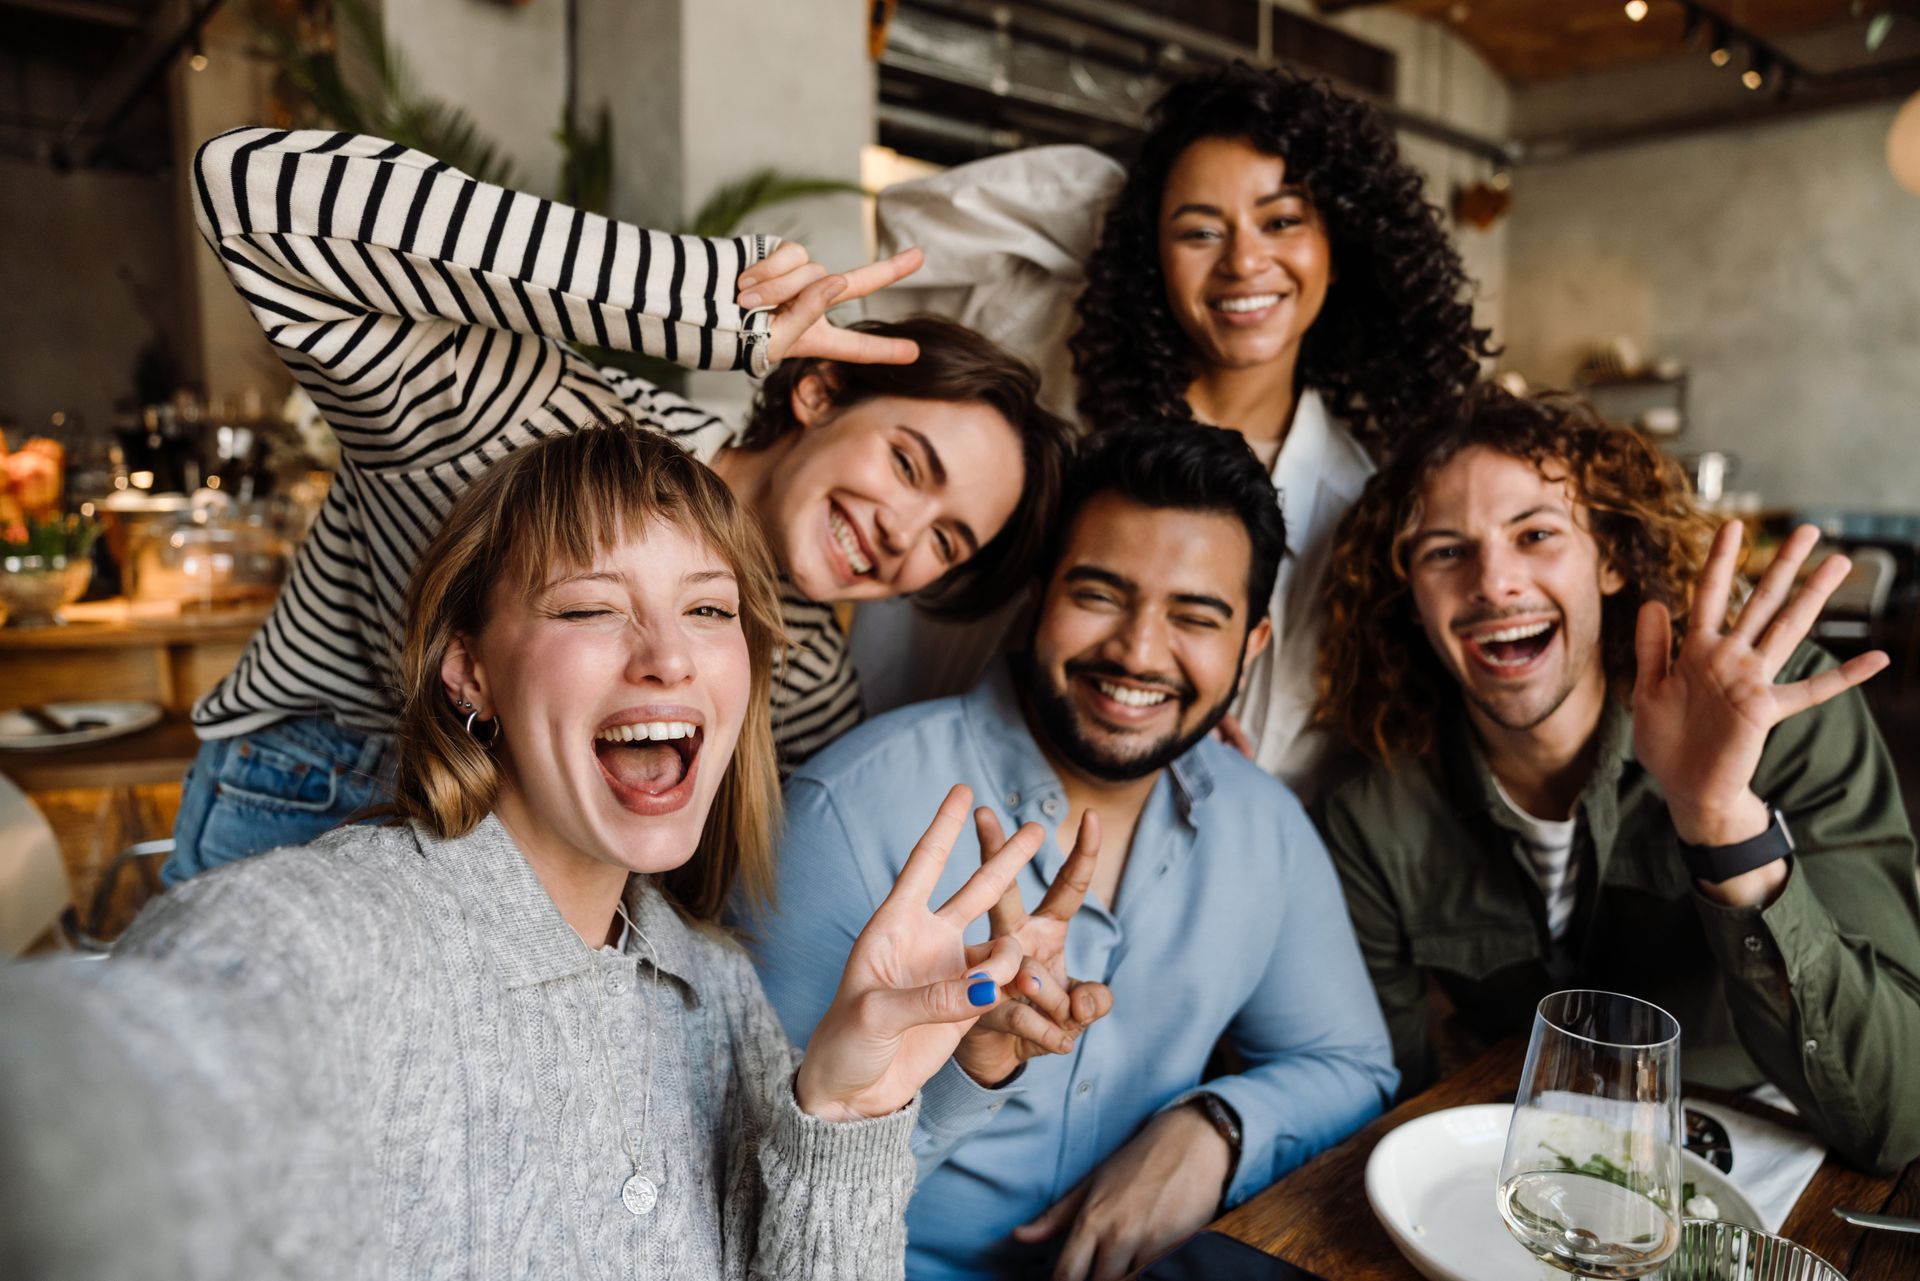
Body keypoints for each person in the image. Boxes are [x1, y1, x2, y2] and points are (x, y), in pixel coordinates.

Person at [0, 424, 1051, 1281]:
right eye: (591, 607)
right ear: (470, 674)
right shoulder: (312, 935)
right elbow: (127, 1083)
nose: (668, 656)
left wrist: (851, 1108)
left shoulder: (722, 994)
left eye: (708, 610)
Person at [164, 125, 1072, 884]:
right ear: (819, 392)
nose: (901, 533)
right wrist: (706, 302)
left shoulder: (798, 676)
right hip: (318, 794)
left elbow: (834, 851)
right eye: (911, 466)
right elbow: (248, 188)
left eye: (948, 541)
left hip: (520, 878)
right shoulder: (527, 415)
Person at [749, 424, 1398, 1281]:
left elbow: (1353, 1068)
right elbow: (748, 1193)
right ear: (1039, 596)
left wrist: (1212, 1132)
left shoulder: (1261, 824)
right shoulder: (850, 813)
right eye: (1099, 594)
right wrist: (964, 1078)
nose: (1136, 650)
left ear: (1251, 648)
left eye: (1196, 617)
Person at [1315, 387, 1920, 1172]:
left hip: (1773, 1164)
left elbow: (1901, 1120)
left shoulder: (1771, 712)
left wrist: (1722, 824)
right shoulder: (1374, 803)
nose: (1494, 582)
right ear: (1412, 596)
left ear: (1608, 557)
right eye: (1445, 551)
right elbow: (1391, 1109)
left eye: (1535, 534)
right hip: (1516, 1176)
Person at [851, 61, 1493, 797]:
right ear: (1149, 247)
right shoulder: (1055, 381)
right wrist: (1125, 211)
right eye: (1198, 230)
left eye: (1281, 220)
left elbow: (1306, 744)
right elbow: (919, 221)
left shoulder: (1354, 496)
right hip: (920, 768)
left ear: (1339, 246)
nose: (1244, 261)